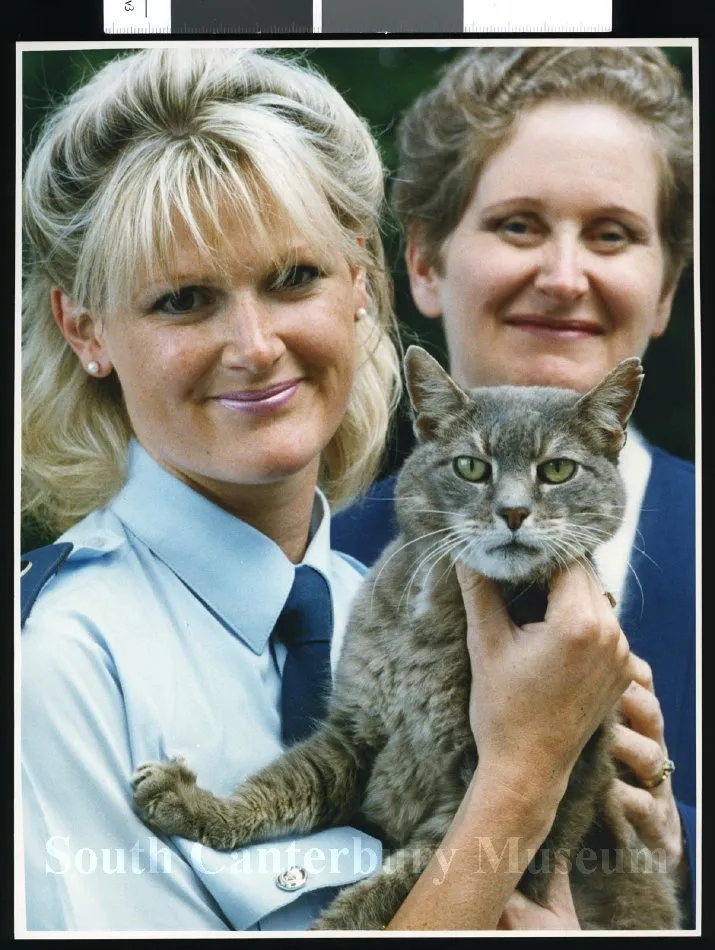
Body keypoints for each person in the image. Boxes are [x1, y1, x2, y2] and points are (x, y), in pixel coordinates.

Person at [19, 46, 644, 933]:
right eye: (183, 300)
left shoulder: (386, 602)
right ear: (84, 328)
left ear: (358, 276)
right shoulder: (58, 660)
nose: (254, 345)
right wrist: (523, 776)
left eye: (292, 278)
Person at [332, 45, 696, 927]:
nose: (564, 276)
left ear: (665, 290)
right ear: (422, 261)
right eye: (518, 225)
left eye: (611, 234)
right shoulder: (315, 567)